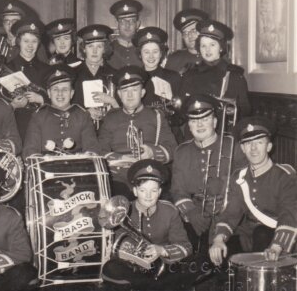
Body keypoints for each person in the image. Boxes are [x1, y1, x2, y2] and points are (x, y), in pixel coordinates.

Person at [209, 116, 297, 265]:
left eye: (259, 142)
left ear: (269, 147)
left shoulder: (285, 176)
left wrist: (276, 247)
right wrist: (218, 240)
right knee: (218, 254)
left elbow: (288, 214)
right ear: (243, 148)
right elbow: (231, 213)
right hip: (248, 236)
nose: (253, 148)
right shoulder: (239, 176)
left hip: (279, 238)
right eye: (248, 143)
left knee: (261, 234)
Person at [170, 94, 247, 253]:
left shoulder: (234, 147)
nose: (200, 124)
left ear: (215, 122)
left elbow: (241, 193)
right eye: (194, 120)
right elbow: (178, 191)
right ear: (189, 126)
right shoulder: (182, 151)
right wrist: (191, 212)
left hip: (232, 219)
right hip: (196, 217)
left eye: (205, 119)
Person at [101, 159, 194, 291]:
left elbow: (186, 247)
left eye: (154, 191)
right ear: (135, 191)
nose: (148, 196)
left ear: (160, 192)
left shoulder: (170, 211)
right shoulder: (123, 211)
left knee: (186, 271)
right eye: (143, 190)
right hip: (132, 269)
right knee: (110, 268)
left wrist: (161, 250)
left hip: (162, 266)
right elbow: (115, 246)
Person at [98, 65, 177, 198]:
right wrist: (121, 159)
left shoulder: (156, 116)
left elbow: (173, 149)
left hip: (149, 176)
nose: (129, 95)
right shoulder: (111, 117)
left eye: (134, 90)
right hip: (118, 178)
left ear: (142, 93)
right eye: (125, 91)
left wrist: (152, 152)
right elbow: (100, 150)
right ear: (119, 94)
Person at [23, 64, 100, 159]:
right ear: (48, 93)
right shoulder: (38, 117)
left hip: (78, 169)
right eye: (55, 89)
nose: (60, 93)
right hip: (46, 170)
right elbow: (30, 151)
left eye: (65, 89)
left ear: (72, 93)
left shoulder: (82, 116)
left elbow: (92, 148)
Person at [181, 20, 251, 119]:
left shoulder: (234, 75)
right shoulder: (190, 74)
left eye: (212, 45)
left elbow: (245, 109)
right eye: (203, 45)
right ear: (199, 48)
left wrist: (233, 111)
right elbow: (183, 108)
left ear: (221, 48)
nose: (207, 50)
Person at [4, 18, 51, 142]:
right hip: (15, 127)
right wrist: (13, 105)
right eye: (26, 41)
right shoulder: (8, 68)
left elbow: (59, 99)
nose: (30, 46)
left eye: (34, 41)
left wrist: (41, 99)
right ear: (19, 42)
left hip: (43, 128)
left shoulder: (47, 70)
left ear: (39, 43)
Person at [132, 26, 183, 135]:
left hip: (169, 133)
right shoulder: (133, 78)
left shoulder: (173, 77)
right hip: (140, 132)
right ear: (140, 54)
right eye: (146, 52)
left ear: (161, 53)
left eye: (155, 51)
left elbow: (181, 113)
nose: (151, 56)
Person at [73, 24, 118, 124]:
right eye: (90, 46)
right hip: (79, 130)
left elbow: (122, 110)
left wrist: (112, 101)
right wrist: (85, 113)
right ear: (84, 49)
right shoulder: (73, 73)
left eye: (99, 46)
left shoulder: (114, 74)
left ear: (105, 49)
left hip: (108, 130)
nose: (94, 51)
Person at [0, 0, 48, 64]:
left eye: (15, 21)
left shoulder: (36, 46)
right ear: (3, 24)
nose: (10, 25)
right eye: (6, 21)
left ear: (21, 24)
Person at [165, 9, 209, 75]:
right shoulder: (174, 60)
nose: (190, 36)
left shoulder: (213, 56)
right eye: (185, 33)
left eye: (193, 30)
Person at [107, 0, 144, 69]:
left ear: (138, 24)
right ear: (116, 24)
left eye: (132, 21)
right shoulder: (107, 49)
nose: (127, 25)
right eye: (123, 21)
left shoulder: (145, 49)